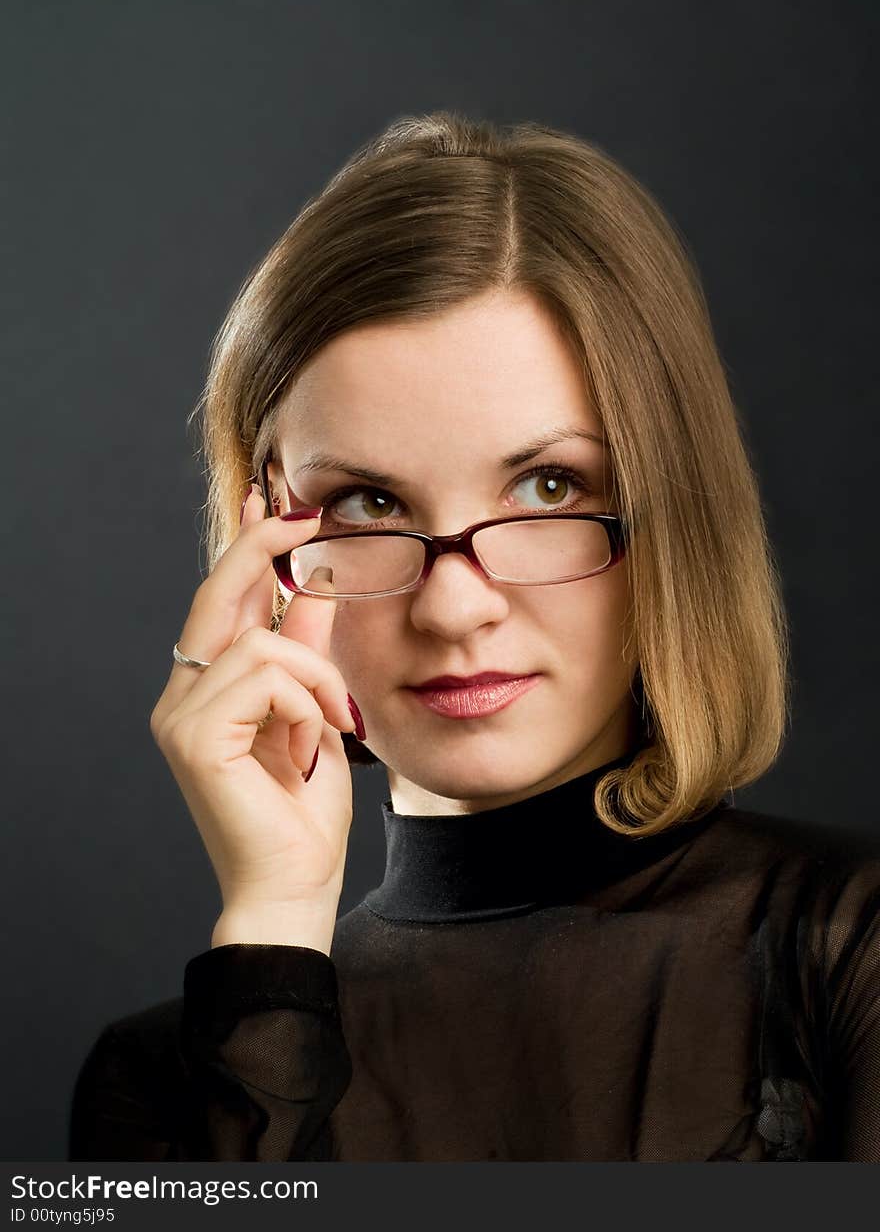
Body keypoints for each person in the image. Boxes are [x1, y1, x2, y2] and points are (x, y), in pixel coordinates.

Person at [68, 111, 879, 1162]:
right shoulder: (169, 1082)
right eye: (365, 502)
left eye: (549, 487)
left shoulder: (848, 956)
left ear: (671, 509)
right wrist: (272, 924)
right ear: (268, 529)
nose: (454, 608)